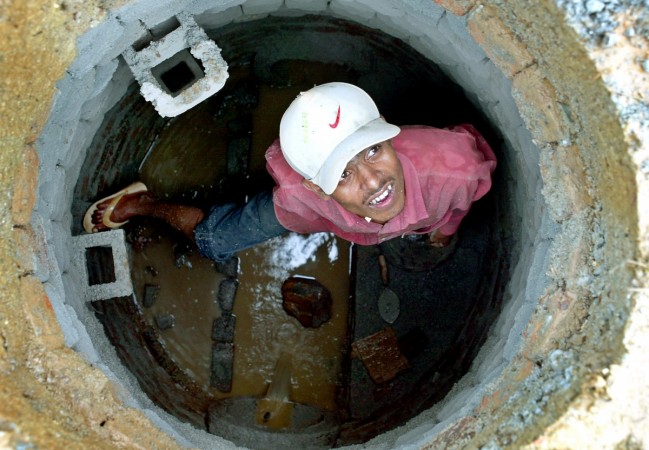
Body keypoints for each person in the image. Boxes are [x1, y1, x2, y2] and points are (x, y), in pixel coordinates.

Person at [83, 82, 496, 263]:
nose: (374, 181)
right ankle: (143, 203)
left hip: (346, 212)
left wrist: (446, 226)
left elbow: (464, 197)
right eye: (344, 173)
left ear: (387, 131)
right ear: (318, 184)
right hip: (315, 214)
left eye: (373, 150)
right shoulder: (302, 193)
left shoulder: (455, 171)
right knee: (212, 240)